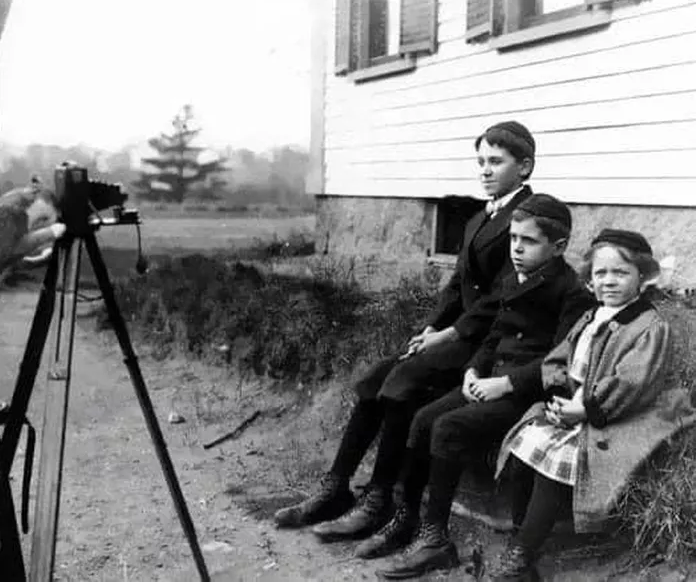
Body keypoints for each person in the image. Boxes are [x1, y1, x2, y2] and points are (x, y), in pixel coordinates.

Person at [273, 122, 537, 540]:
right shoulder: (476, 219)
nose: (485, 170)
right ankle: (336, 487)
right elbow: (458, 286)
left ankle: (379, 501)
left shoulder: (527, 218)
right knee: (374, 379)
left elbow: (502, 297)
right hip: (455, 334)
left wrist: (447, 336)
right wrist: (433, 325)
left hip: (490, 342)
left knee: (403, 382)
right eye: (481, 161)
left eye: (496, 162)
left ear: (524, 166)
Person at [373, 194, 596, 578]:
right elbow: (493, 335)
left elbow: (559, 362)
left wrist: (504, 384)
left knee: (448, 426)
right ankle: (414, 521)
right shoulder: (512, 277)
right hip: (489, 379)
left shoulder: (570, 292)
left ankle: (436, 541)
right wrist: (474, 372)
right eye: (512, 239)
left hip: (526, 393)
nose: (517, 248)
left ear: (558, 247)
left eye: (528, 241)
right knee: (425, 419)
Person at [480, 229, 696, 580]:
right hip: (578, 404)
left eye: (621, 273)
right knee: (526, 444)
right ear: (590, 280)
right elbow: (561, 357)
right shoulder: (592, 317)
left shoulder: (648, 326)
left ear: (642, 277)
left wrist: (586, 409)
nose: (609, 281)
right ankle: (524, 536)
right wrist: (560, 390)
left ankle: (522, 556)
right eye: (600, 273)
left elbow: (633, 382)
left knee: (561, 459)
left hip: (623, 413)